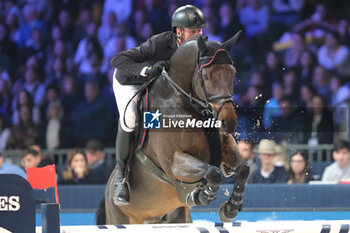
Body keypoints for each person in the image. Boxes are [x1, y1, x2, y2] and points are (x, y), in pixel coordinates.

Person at [110, 5, 207, 205]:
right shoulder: (160, 43)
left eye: (200, 31)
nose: (198, 36)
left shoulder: (200, 48)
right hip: (131, 82)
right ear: (179, 32)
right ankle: (122, 177)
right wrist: (146, 70)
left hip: (159, 88)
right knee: (131, 118)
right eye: (193, 31)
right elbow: (118, 60)